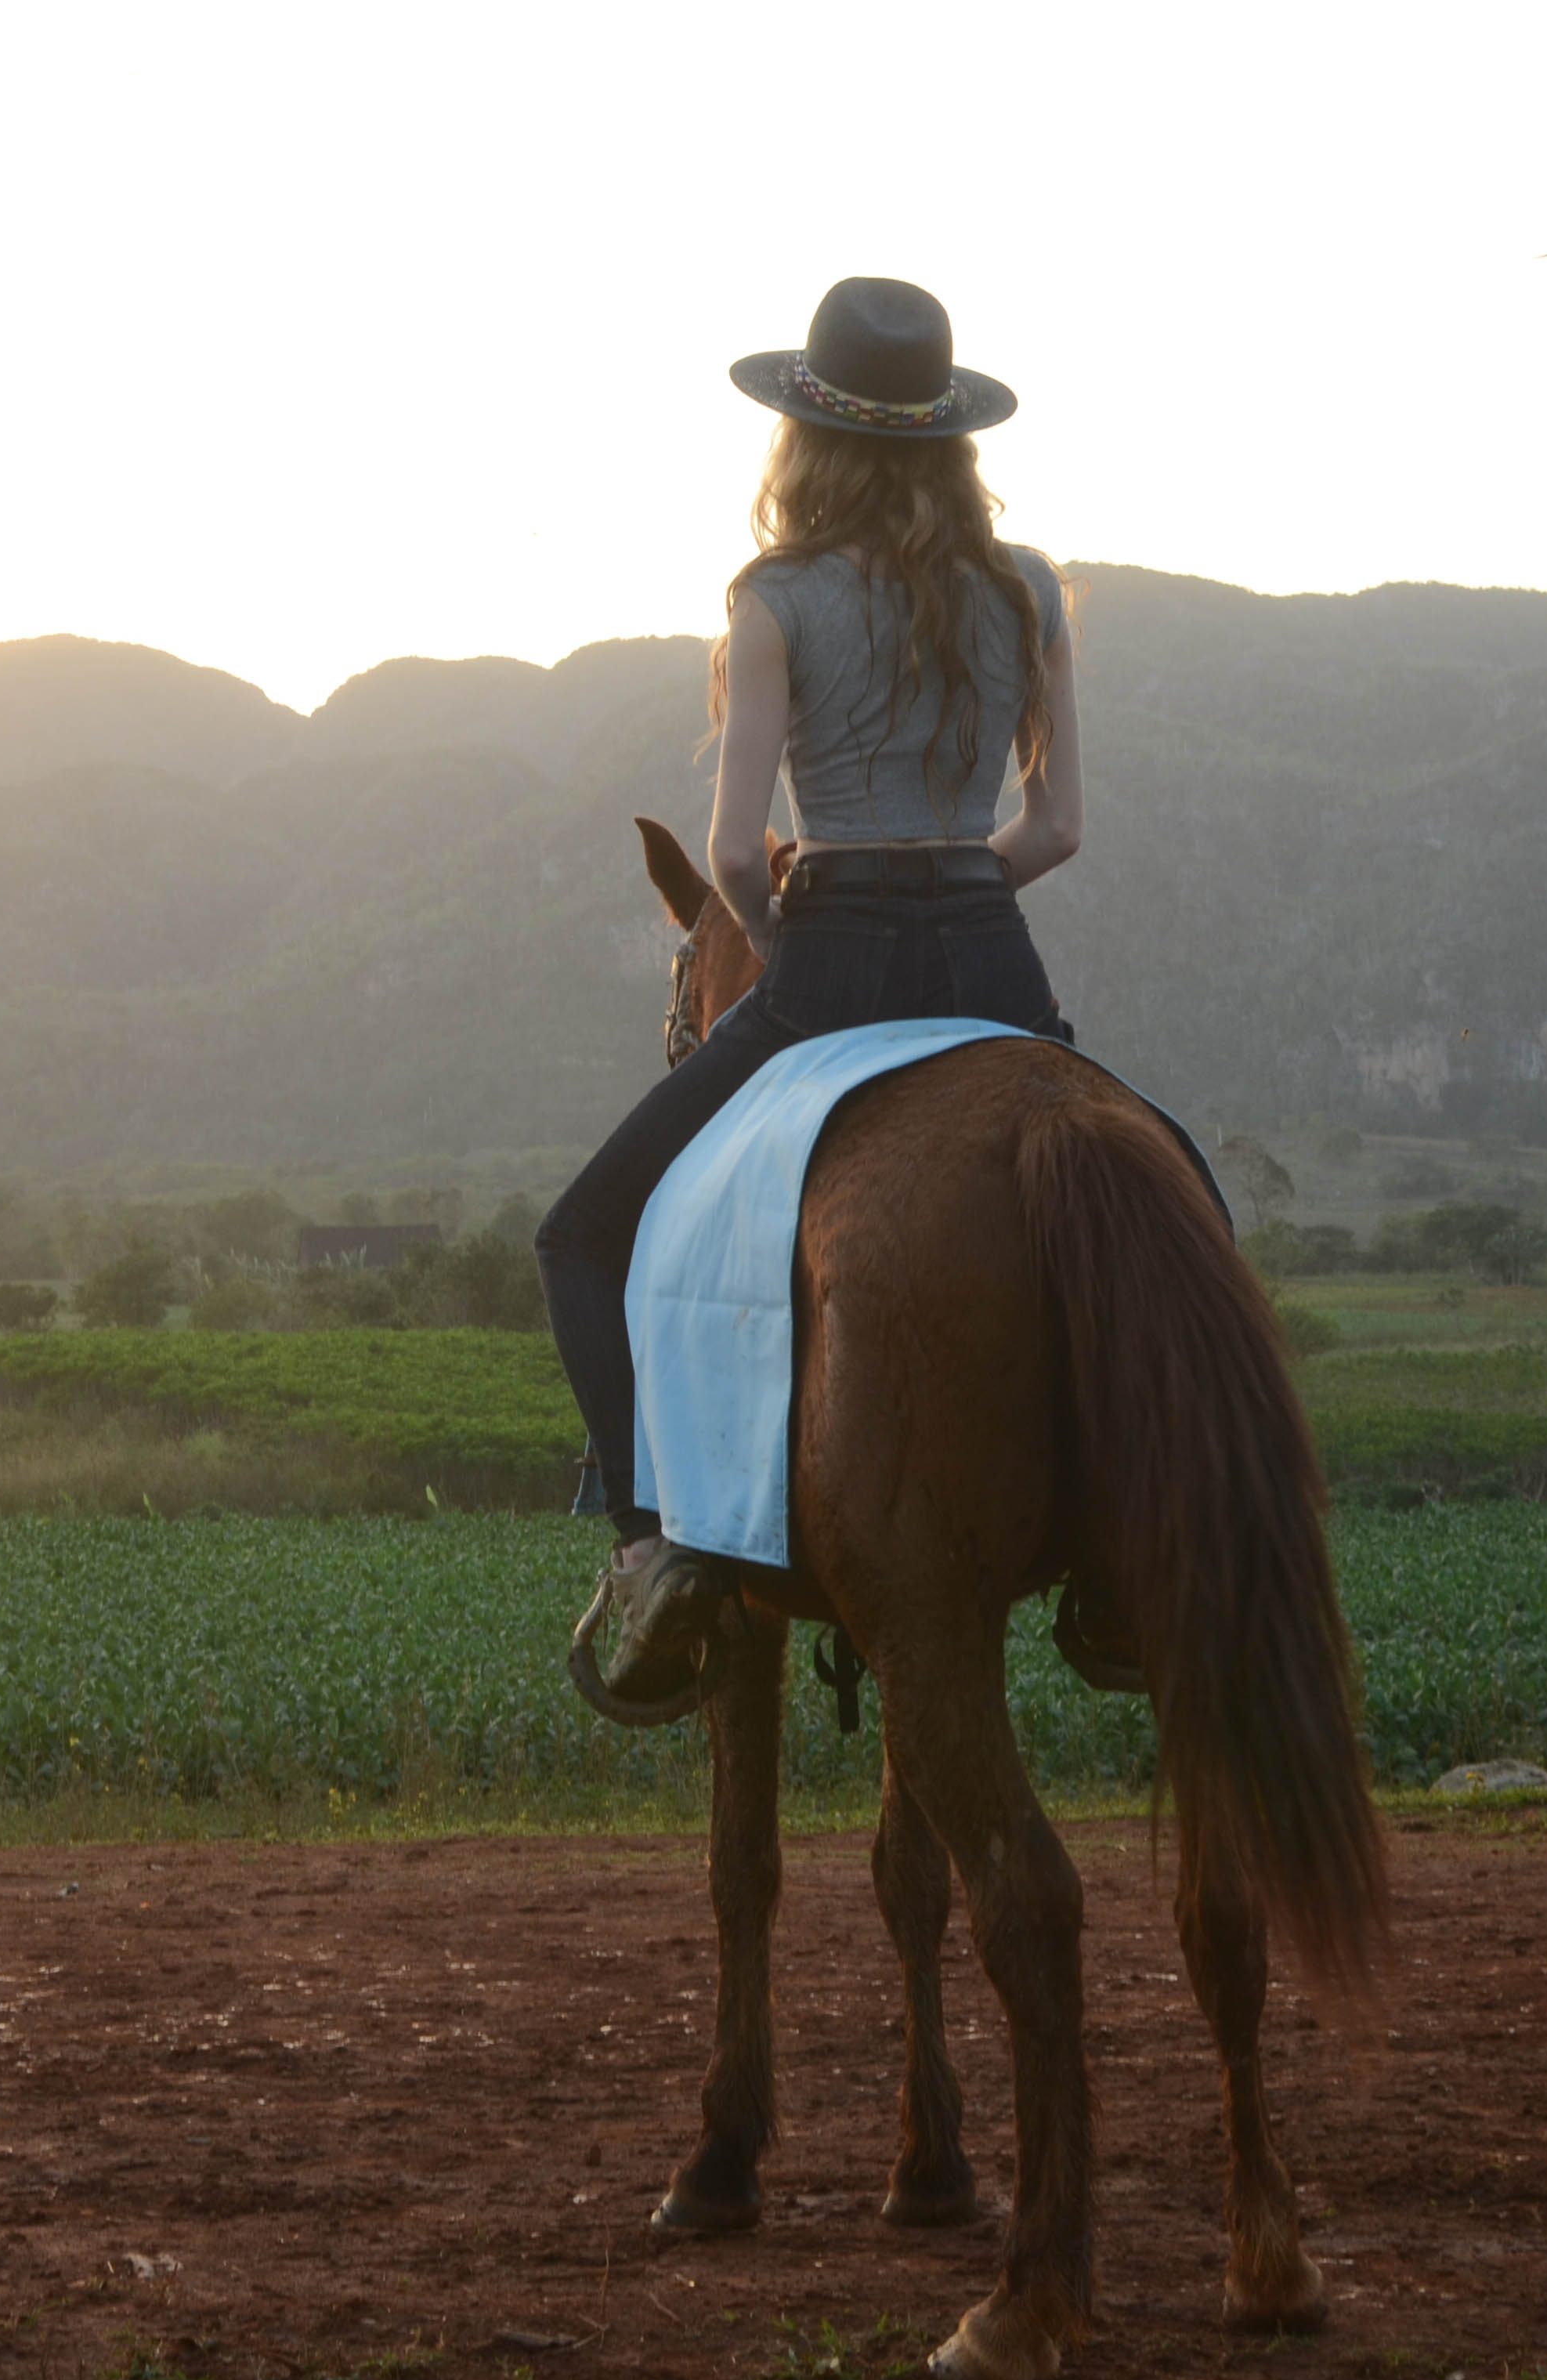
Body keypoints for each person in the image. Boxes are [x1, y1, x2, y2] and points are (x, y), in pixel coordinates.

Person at [535, 275, 1084, 1683]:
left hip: (830, 955)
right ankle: (1130, 1560)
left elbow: (730, 851)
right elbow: (1056, 828)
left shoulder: (770, 600)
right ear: (951, 436)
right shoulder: (1026, 592)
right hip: (991, 958)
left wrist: (799, 950)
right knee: (1159, 1189)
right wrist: (954, 890)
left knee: (586, 1236)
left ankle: (655, 1548)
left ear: (803, 439)